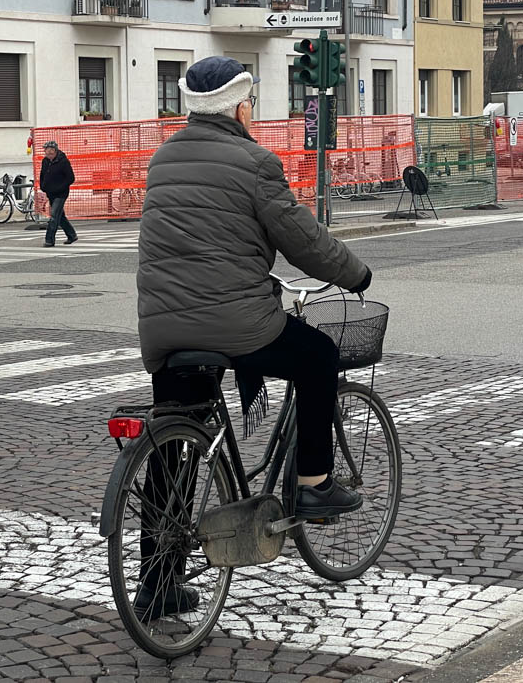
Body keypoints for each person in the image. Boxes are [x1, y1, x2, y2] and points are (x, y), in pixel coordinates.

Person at [134, 55, 372, 619]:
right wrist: (355, 273)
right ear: (239, 108)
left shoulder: (162, 158)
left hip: (164, 325)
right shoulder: (255, 162)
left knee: (173, 444)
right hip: (236, 321)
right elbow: (303, 239)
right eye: (251, 103)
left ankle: (156, 584)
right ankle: (314, 482)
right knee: (318, 356)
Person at [38, 140, 77, 247]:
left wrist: (60, 187)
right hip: (50, 193)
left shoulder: (63, 162)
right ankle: (72, 235)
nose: (48, 155)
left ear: (55, 151)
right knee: (60, 217)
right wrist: (43, 186)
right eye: (47, 152)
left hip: (61, 193)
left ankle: (49, 240)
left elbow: (71, 178)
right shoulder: (45, 161)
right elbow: (43, 174)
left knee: (54, 216)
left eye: (51, 152)